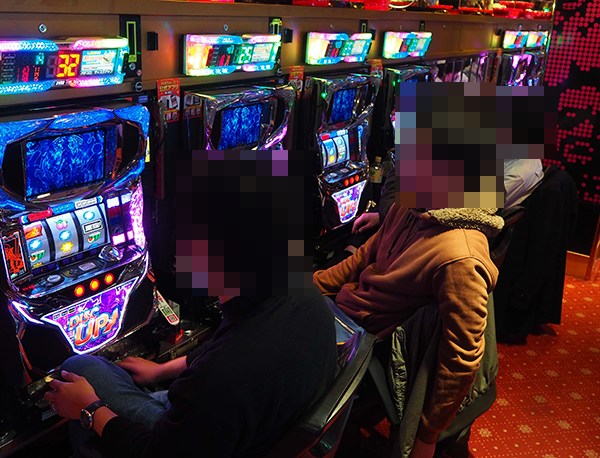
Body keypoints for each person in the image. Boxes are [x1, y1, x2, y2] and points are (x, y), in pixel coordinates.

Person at [44, 290, 337, 458]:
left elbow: (157, 453)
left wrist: (90, 409)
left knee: (80, 368)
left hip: (191, 442)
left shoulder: (222, 378)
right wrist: (162, 370)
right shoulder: (300, 293)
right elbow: (228, 341)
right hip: (251, 425)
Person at [314, 204, 503, 458]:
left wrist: (427, 435)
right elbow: (362, 259)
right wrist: (307, 287)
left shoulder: (462, 257)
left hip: (370, 345)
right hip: (347, 313)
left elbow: (461, 358)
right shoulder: (410, 204)